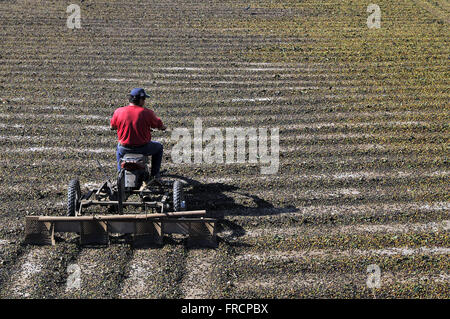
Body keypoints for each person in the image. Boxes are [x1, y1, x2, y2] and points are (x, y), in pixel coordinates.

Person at [110, 88, 166, 180]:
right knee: (159, 147)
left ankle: (120, 173)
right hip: (143, 148)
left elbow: (112, 126)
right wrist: (163, 128)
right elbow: (159, 125)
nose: (144, 102)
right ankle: (155, 174)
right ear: (140, 100)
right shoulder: (147, 113)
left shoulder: (118, 111)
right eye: (144, 99)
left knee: (119, 149)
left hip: (125, 149)